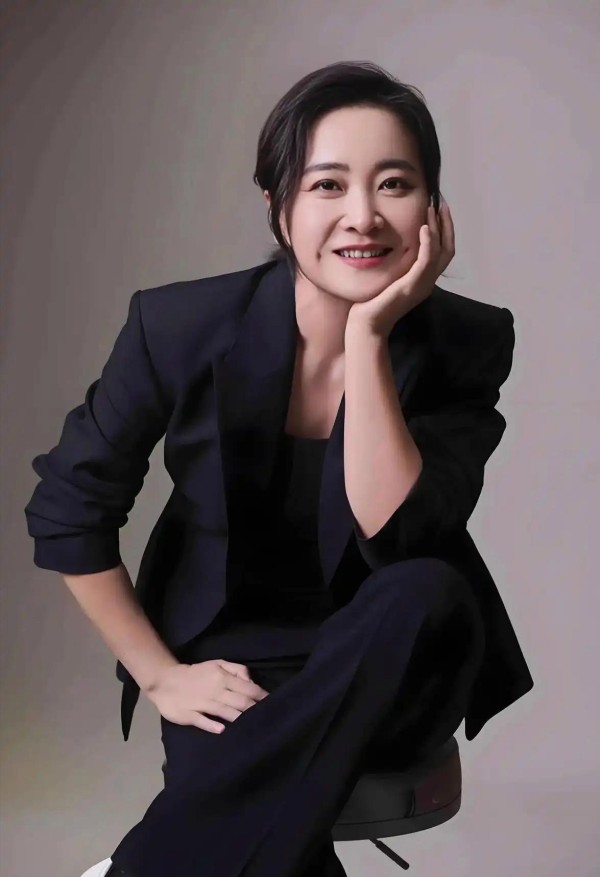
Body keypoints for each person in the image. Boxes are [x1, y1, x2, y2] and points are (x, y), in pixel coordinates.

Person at [24, 61, 534, 877]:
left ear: (432, 208)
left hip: (396, 658)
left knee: (423, 587)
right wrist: (161, 676)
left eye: (395, 184)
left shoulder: (466, 341)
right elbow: (68, 509)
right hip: (233, 664)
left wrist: (368, 337)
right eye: (327, 184)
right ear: (277, 204)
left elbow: (396, 531)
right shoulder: (180, 326)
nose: (363, 215)